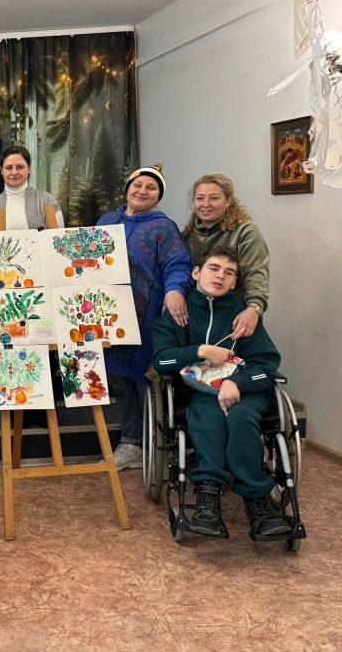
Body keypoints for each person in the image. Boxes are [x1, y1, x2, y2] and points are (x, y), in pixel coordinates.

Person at [152, 246, 290, 538]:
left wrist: (237, 382)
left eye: (229, 273)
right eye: (214, 268)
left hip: (247, 392)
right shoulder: (178, 313)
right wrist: (200, 351)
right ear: (196, 272)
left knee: (241, 417)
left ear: (234, 281)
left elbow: (267, 363)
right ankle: (208, 497)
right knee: (209, 416)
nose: (220, 276)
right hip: (200, 392)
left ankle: (257, 501)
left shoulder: (244, 316)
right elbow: (161, 360)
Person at [97, 165, 193, 471]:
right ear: (127, 188)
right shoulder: (107, 221)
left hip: (145, 315)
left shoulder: (163, 227)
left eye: (151, 188)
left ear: (158, 196)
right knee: (118, 379)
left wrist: (175, 290)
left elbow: (178, 264)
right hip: (106, 314)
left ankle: (151, 443)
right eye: (138, 185)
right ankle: (131, 442)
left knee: (143, 378)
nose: (142, 191)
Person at [182, 172, 270, 339]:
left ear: (228, 201)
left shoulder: (246, 232)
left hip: (234, 317)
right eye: (200, 198)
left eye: (214, 198)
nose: (205, 204)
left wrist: (254, 309)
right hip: (196, 318)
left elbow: (256, 274)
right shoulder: (187, 234)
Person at [0, 145, 65, 231]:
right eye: (9, 168)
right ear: (2, 171)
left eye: (20, 167)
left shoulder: (46, 201)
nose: (14, 172)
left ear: (29, 169)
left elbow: (59, 238)